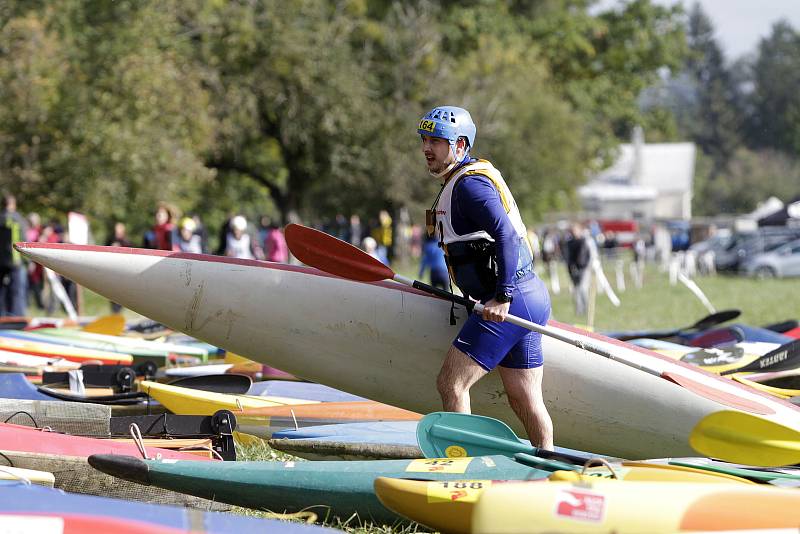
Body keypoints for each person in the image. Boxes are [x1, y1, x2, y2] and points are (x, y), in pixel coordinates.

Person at [418, 106, 553, 450]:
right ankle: (548, 464)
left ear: (460, 146)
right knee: (524, 396)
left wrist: (502, 296)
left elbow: (506, 235)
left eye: (437, 140)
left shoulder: (470, 186)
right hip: (531, 298)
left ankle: (465, 464)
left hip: (510, 301)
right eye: (425, 139)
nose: (427, 148)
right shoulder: (462, 181)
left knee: (451, 385)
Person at [0, 195, 29, 316]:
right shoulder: (19, 220)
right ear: (14, 205)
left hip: (1, 261)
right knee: (17, 291)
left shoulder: (0, 218)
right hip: (16, 261)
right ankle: (17, 316)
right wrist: (27, 260)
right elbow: (24, 240)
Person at [565, 222, 591, 316]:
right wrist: (570, 267)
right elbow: (568, 257)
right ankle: (578, 310)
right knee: (576, 290)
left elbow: (587, 255)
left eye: (575, 230)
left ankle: (586, 309)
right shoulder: (569, 243)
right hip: (573, 269)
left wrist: (585, 265)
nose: (574, 233)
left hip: (583, 268)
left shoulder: (584, 241)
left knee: (583, 289)